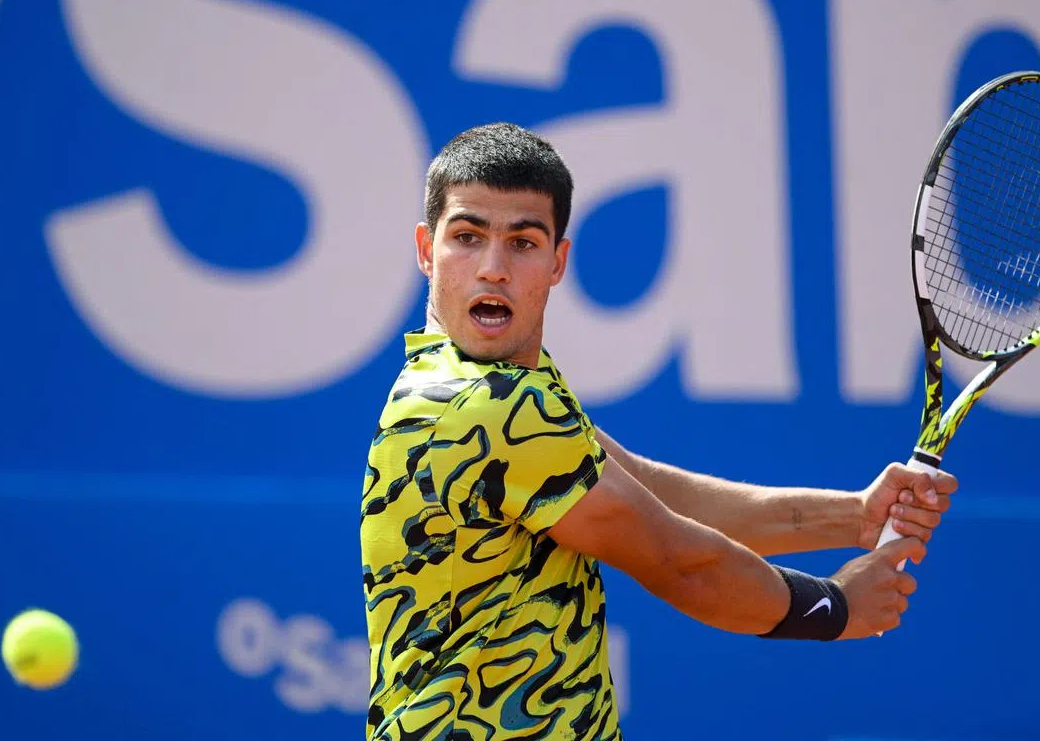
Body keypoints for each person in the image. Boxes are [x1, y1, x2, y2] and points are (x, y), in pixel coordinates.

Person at [360, 122, 958, 740]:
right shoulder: (486, 406)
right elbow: (681, 562)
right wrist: (836, 605)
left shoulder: (502, 389)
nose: (493, 268)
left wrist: (855, 516)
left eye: (523, 243)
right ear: (426, 249)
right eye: (467, 237)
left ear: (557, 261)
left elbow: (654, 496)